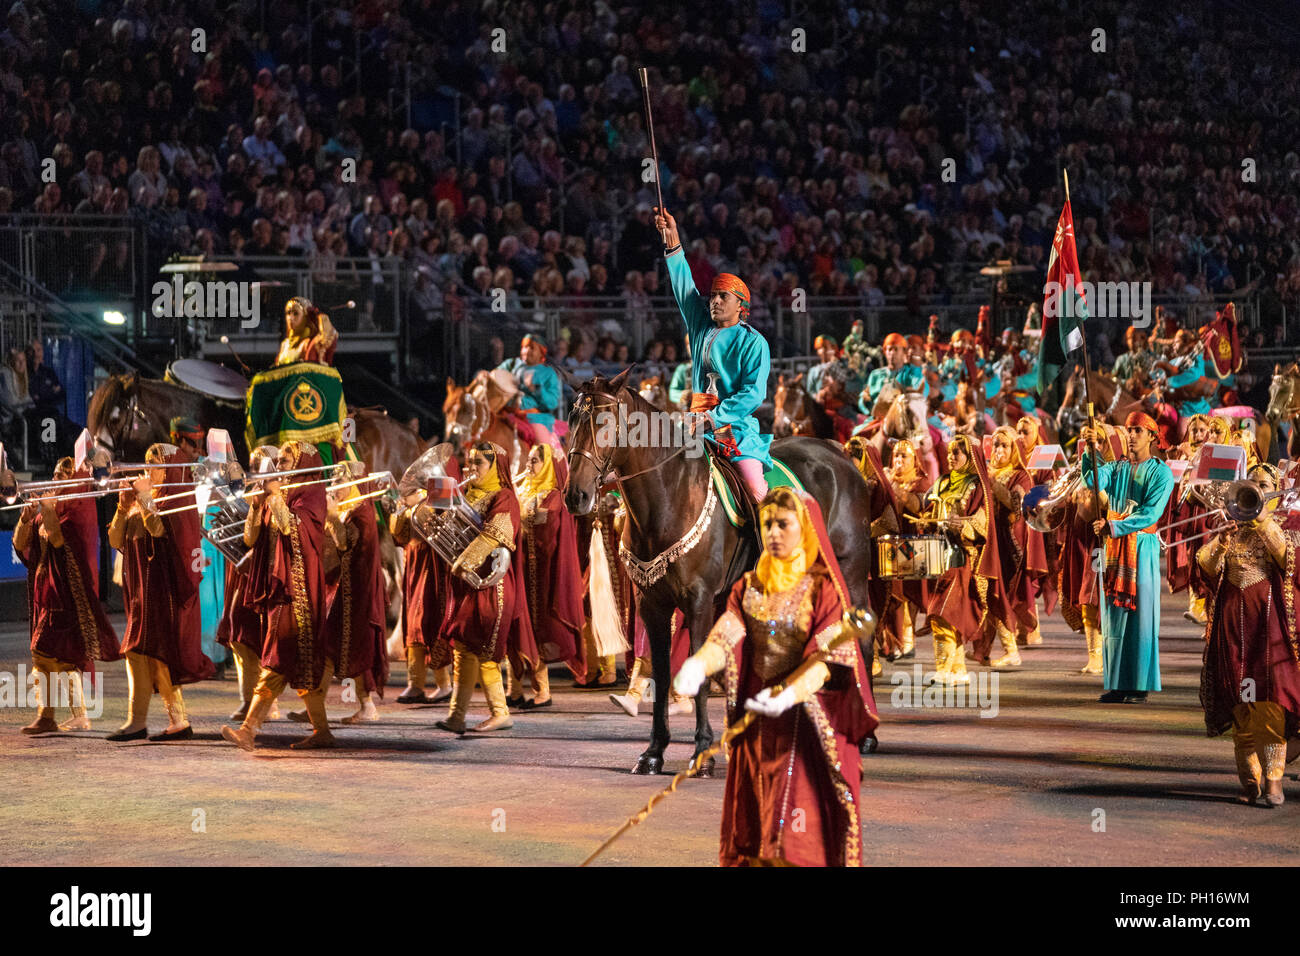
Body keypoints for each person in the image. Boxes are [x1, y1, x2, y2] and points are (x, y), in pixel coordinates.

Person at [673, 487, 877, 867]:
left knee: (793, 840)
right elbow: (725, 636)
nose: (773, 533)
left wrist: (791, 694)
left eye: (783, 524)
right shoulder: (747, 588)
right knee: (757, 837)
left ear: (805, 528)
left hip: (804, 733)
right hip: (756, 729)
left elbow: (830, 660)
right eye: (766, 524)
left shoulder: (823, 591)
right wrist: (698, 664)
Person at [1197, 463, 1300, 806]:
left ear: (1276, 490)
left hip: (1268, 627)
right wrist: (1220, 542)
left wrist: (1260, 519)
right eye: (1250, 483)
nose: (1255, 488)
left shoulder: (1285, 525)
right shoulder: (1230, 527)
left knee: (1270, 702)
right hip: (1231, 628)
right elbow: (1207, 569)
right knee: (1242, 703)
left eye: (1263, 484)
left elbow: (1290, 560)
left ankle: (1274, 780)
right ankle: (1249, 779)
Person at [221, 441, 333, 750]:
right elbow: (249, 538)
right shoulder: (277, 495)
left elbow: (291, 528)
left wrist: (273, 497)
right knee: (295, 662)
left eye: (286, 460)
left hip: (297, 592)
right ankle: (322, 731)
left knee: (274, 660)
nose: (280, 465)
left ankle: (248, 729)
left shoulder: (311, 494)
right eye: (280, 460)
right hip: (277, 590)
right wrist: (258, 505)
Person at [655, 207, 771, 503]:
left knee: (755, 493)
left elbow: (753, 394)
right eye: (713, 295)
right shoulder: (700, 326)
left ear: (741, 306)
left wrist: (714, 417)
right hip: (693, 427)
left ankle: (763, 548)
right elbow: (684, 286)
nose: (714, 301)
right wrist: (672, 241)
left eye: (723, 297)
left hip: (733, 431)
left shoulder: (754, 342)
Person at [107, 443, 213, 741]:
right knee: (142, 653)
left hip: (162, 590)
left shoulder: (176, 501)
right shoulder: (146, 500)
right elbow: (116, 539)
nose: (148, 468)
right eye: (147, 462)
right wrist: (122, 506)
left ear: (170, 470)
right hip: (140, 590)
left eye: (155, 463)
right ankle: (157, 721)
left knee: (151, 653)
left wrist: (143, 498)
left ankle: (156, 721)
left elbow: (159, 530)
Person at [435, 441, 537, 734]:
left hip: (492, 585)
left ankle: (501, 712)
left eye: (478, 463)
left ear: (494, 467)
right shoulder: (464, 494)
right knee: (463, 648)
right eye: (469, 462)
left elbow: (496, 534)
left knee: (485, 651)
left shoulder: (504, 496)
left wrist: (466, 561)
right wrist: (435, 510)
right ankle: (457, 715)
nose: (471, 468)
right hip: (467, 584)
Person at [14, 457, 120, 734]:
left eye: (64, 474)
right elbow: (21, 544)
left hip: (66, 595)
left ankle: (50, 715)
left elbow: (60, 540)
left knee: (44, 652)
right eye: (56, 474)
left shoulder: (76, 508)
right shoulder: (50, 508)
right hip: (45, 594)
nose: (58, 478)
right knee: (60, 655)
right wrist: (25, 519)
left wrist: (48, 511)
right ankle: (73, 715)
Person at [1081, 412, 1176, 703]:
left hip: (1141, 546)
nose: (1131, 435)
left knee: (1140, 618)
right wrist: (1090, 451)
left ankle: (1139, 685)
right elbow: (1093, 481)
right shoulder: (1117, 466)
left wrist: (1115, 525)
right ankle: (1118, 684)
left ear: (1152, 436)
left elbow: (1151, 513)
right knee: (1113, 617)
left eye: (1137, 430)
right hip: (1114, 548)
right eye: (1128, 430)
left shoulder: (1161, 473)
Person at [914, 433, 1011, 685]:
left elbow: (983, 524)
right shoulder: (943, 481)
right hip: (937, 555)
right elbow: (928, 510)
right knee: (948, 613)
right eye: (950, 452)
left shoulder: (977, 486)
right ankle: (957, 670)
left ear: (969, 457)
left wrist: (961, 526)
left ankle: (946, 669)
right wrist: (925, 520)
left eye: (957, 452)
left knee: (942, 612)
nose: (951, 456)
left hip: (963, 557)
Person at [513, 443, 583, 708]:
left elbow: (547, 536)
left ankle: (542, 691)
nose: (528, 467)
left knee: (538, 629)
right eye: (529, 461)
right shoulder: (524, 491)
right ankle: (516, 689)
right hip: (523, 571)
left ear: (548, 466)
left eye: (534, 462)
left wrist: (523, 515)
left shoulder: (554, 497)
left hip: (544, 577)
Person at [318, 477, 389, 723]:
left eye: (341, 481)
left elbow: (344, 544)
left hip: (359, 594)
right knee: (330, 646)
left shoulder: (362, 514)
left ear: (354, 483)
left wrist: (332, 517)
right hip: (348, 591)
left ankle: (367, 707)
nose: (335, 486)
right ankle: (315, 706)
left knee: (355, 650)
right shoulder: (353, 511)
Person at [390, 461, 456, 705]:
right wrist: (399, 510)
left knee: (429, 623)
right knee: (412, 626)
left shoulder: (439, 496)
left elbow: (445, 524)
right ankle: (414, 684)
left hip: (433, 567)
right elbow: (399, 537)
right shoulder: (411, 507)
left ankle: (444, 684)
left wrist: (417, 503)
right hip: (414, 566)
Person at [495, 333, 563, 448]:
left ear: (541, 351)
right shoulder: (511, 364)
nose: (527, 351)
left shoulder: (548, 373)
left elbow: (552, 403)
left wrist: (535, 389)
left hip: (535, 419)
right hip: (507, 415)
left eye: (532, 348)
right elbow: (496, 376)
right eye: (524, 347)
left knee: (544, 451)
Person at [863, 332, 926, 411]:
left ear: (904, 352)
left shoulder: (911, 373)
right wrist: (864, 400)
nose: (892, 353)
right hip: (877, 417)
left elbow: (919, 392)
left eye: (896, 349)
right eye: (889, 349)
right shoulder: (875, 375)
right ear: (884, 352)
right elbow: (864, 397)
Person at [275, 296, 338, 366]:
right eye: (288, 313)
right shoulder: (285, 344)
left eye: (296, 313)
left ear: (306, 317)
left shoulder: (310, 343)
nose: (291, 318)